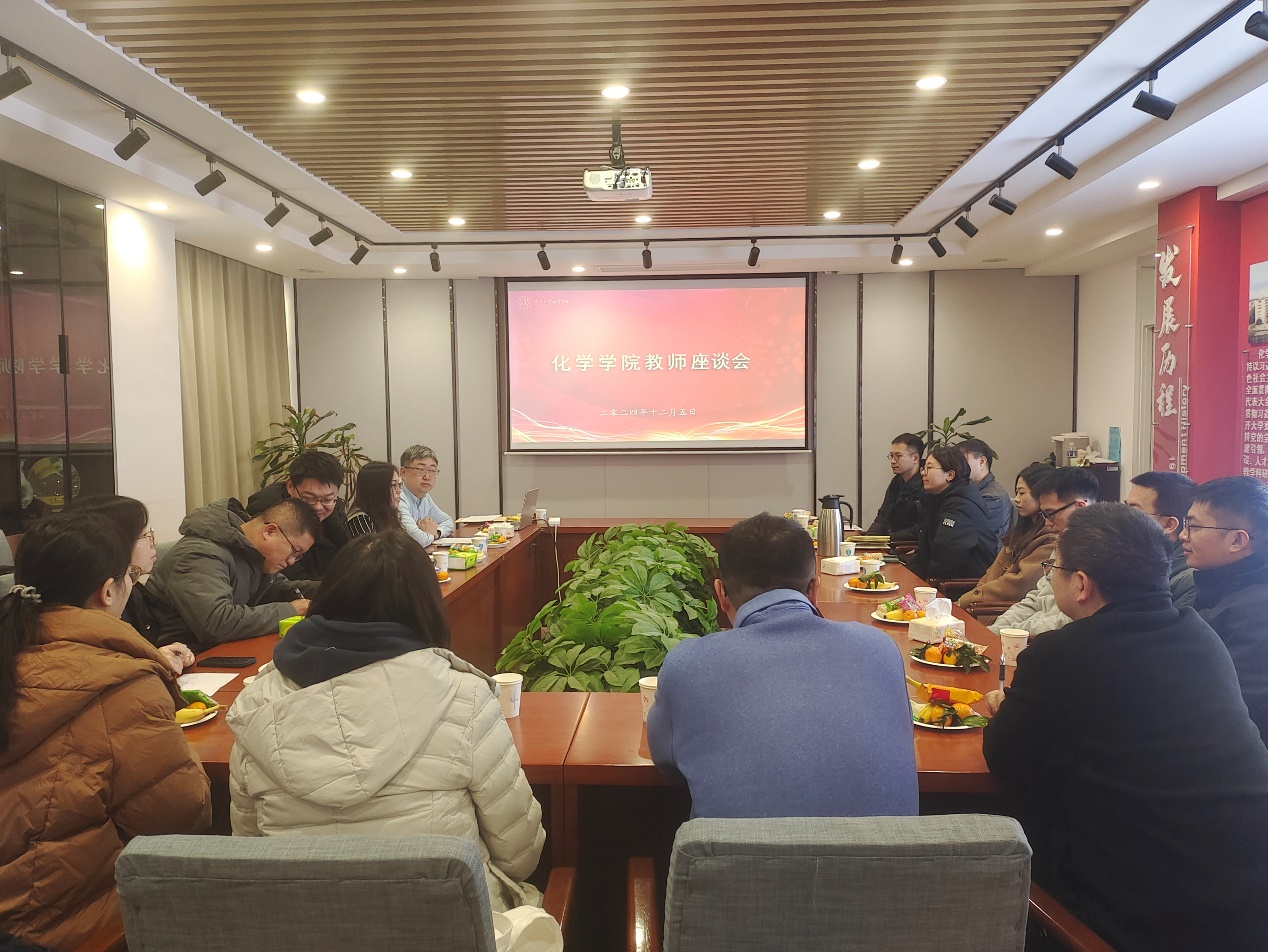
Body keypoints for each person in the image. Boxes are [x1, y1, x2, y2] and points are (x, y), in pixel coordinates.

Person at [983, 505, 1268, 952]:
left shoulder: (1062, 654)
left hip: (1148, 918)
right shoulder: (1199, 635)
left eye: (1054, 569)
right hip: (1245, 902)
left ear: (1081, 584)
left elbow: (1005, 759)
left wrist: (1008, 708)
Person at [226, 531, 547, 915]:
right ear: (426, 606)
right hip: (450, 928)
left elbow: (247, 855)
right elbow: (520, 855)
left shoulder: (255, 704)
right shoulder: (465, 697)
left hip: (300, 929)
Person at [0, 513, 211, 949]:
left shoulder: (13, 647)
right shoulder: (122, 682)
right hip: (55, 921)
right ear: (109, 590)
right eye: (129, 576)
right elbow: (178, 818)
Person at [647, 512, 917, 818]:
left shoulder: (688, 665)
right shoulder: (880, 649)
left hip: (736, 851)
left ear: (721, 594)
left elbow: (666, 760)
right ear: (814, 589)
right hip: (886, 851)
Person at [147, 497, 320, 648]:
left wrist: (328, 590)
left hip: (219, 650)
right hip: (179, 658)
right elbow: (216, 623)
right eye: (294, 552)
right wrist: (291, 610)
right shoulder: (200, 554)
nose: (291, 561)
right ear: (269, 531)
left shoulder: (250, 550)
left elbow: (279, 589)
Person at [1183, 476, 1268, 741]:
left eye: (1194, 527)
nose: (1183, 535)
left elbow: (1238, 713)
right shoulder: (1218, 585)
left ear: (1237, 541)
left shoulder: (1257, 612)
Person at [74, 494, 196, 673]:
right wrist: (152, 661)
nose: (154, 542)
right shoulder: (92, 605)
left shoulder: (135, 594)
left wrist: (162, 655)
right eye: (146, 535)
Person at [989, 466, 1098, 636]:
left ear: (1080, 507)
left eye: (1050, 514)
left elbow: (1068, 621)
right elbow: (1037, 598)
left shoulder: (1099, 553)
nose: (1047, 523)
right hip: (1031, 634)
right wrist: (997, 629)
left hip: (1057, 640)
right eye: (1044, 515)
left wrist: (1008, 632)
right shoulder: (1063, 542)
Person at [958, 464, 1057, 618]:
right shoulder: (1021, 531)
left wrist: (968, 600)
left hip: (1005, 613)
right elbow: (993, 571)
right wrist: (971, 597)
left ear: (1043, 496)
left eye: (1022, 493)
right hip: (983, 606)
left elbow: (1019, 584)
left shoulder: (1050, 538)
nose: (1016, 499)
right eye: (1016, 492)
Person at [246, 451, 350, 580]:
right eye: (309, 498)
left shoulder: (334, 509)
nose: (317, 507)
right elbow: (289, 578)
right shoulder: (269, 514)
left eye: (327, 499)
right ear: (290, 486)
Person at [904, 446, 998, 581]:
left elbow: (946, 556)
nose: (923, 473)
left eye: (929, 468)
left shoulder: (962, 504)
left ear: (950, 475)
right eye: (924, 468)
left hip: (960, 584)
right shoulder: (936, 498)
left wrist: (919, 578)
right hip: (937, 576)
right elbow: (926, 548)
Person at [1125, 471, 1197, 607]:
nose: (1121, 516)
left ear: (1169, 525)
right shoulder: (1138, 559)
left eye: (1133, 511)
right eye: (1124, 507)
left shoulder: (1186, 581)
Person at [865, 433, 924, 542]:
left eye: (898, 456)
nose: (892, 461)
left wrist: (888, 539)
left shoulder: (926, 483)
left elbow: (920, 528)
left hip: (907, 545)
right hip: (891, 541)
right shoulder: (896, 482)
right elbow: (882, 517)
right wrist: (867, 540)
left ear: (915, 458)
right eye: (891, 456)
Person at [958, 438, 1016, 541]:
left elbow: (974, 537)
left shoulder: (992, 498)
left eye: (962, 460)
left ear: (982, 462)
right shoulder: (970, 489)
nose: (958, 466)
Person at [398, 445, 455, 547]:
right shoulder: (397, 497)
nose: (427, 477)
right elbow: (418, 540)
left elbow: (448, 522)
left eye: (432, 471)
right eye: (421, 470)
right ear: (403, 473)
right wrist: (429, 533)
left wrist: (436, 532)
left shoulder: (425, 497)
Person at [347, 461, 403, 536]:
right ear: (377, 489)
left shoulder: (388, 513)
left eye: (399, 484)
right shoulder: (360, 519)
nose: (399, 490)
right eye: (393, 485)